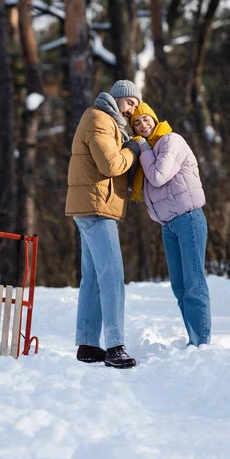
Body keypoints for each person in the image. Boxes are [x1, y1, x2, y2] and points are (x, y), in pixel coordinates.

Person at [65, 80, 142, 368]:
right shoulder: (99, 118)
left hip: (93, 205)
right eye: (130, 103)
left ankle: (87, 344)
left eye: (135, 106)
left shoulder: (106, 121)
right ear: (118, 98)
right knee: (111, 276)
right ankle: (115, 346)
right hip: (96, 207)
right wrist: (133, 149)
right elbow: (110, 165)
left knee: (94, 277)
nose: (131, 110)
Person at [128, 102, 211, 347]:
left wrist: (143, 150)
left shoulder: (169, 141)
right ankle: (193, 340)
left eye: (145, 119)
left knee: (194, 284)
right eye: (136, 122)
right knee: (179, 287)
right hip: (168, 225)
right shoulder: (149, 150)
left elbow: (158, 176)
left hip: (188, 219)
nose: (142, 125)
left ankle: (201, 344)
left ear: (154, 119)